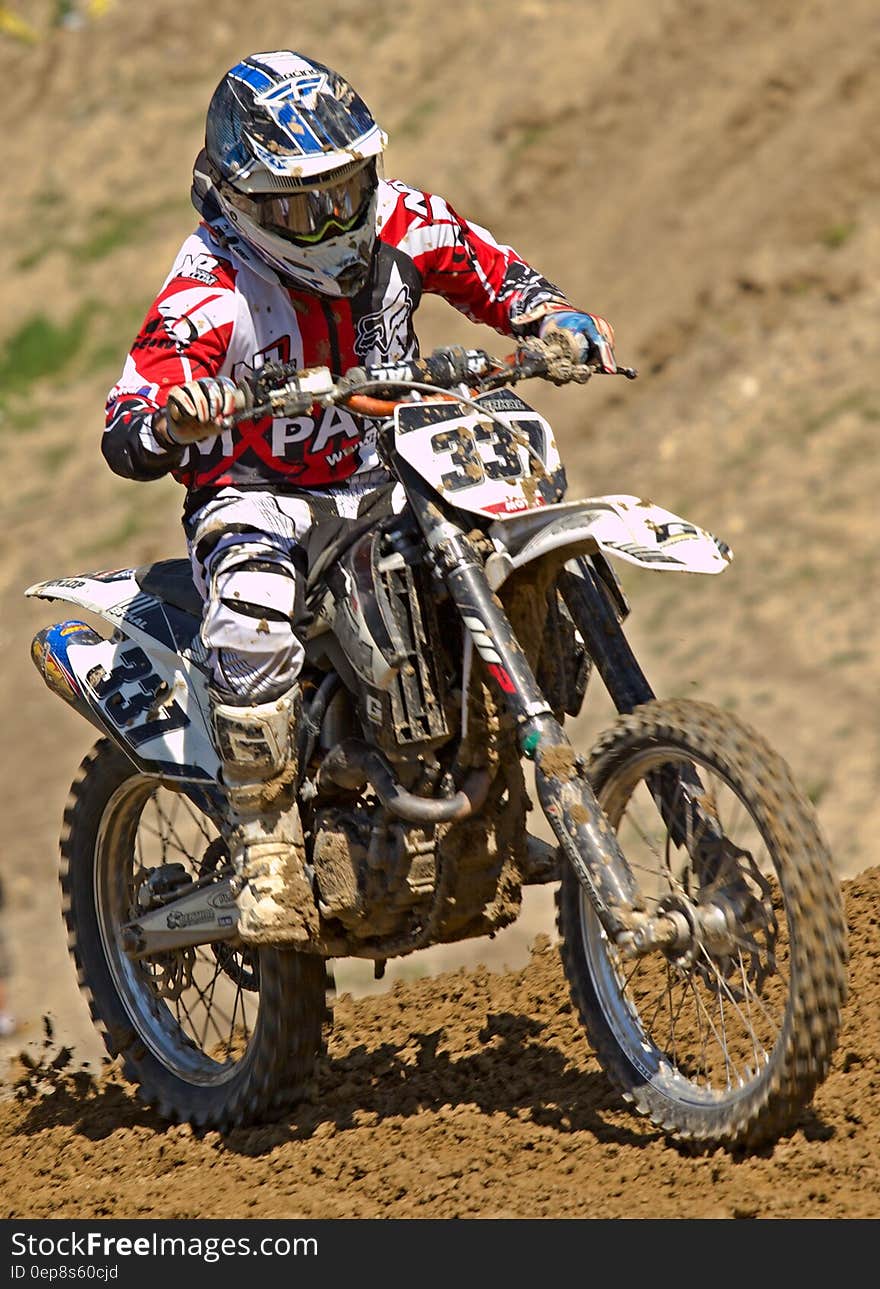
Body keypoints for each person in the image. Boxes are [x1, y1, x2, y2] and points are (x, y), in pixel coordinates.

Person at [102, 50, 618, 947]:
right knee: (254, 605)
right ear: (246, 202)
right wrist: (180, 415)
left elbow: (495, 273)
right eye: (307, 202)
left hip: (390, 465)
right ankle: (267, 849)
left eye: (348, 186)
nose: (336, 215)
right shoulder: (211, 288)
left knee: (509, 525)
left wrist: (553, 320)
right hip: (263, 493)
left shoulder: (403, 221)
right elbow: (127, 421)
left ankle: (489, 775)